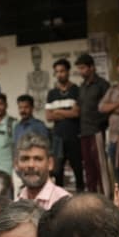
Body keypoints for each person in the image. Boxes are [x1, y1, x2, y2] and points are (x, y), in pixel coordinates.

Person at [74, 54, 110, 194]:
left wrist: (100, 125)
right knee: (88, 168)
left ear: (92, 67)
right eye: (79, 68)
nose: (81, 71)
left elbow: (107, 109)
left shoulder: (102, 85)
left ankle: (105, 198)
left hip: (97, 132)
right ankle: (92, 198)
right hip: (84, 132)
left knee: (100, 167)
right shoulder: (82, 87)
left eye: (83, 68)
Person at [45, 59, 83, 190]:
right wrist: (67, 111)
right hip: (58, 138)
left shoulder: (76, 90)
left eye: (62, 71)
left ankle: (82, 199)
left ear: (68, 72)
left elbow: (76, 113)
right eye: (57, 72)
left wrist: (58, 111)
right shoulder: (52, 94)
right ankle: (59, 202)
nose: (60, 74)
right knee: (57, 171)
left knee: (78, 169)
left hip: (74, 136)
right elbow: (49, 116)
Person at [15, 133, 70, 210]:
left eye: (38, 159)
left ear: (50, 164)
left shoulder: (65, 204)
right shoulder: (15, 204)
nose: (31, 165)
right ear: (16, 164)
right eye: (25, 159)